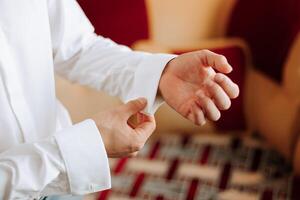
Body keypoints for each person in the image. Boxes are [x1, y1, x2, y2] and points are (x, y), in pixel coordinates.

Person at [0, 0, 239, 199]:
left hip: (61, 186)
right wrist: (81, 147)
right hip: (62, 166)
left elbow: (77, 48)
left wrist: (162, 72)